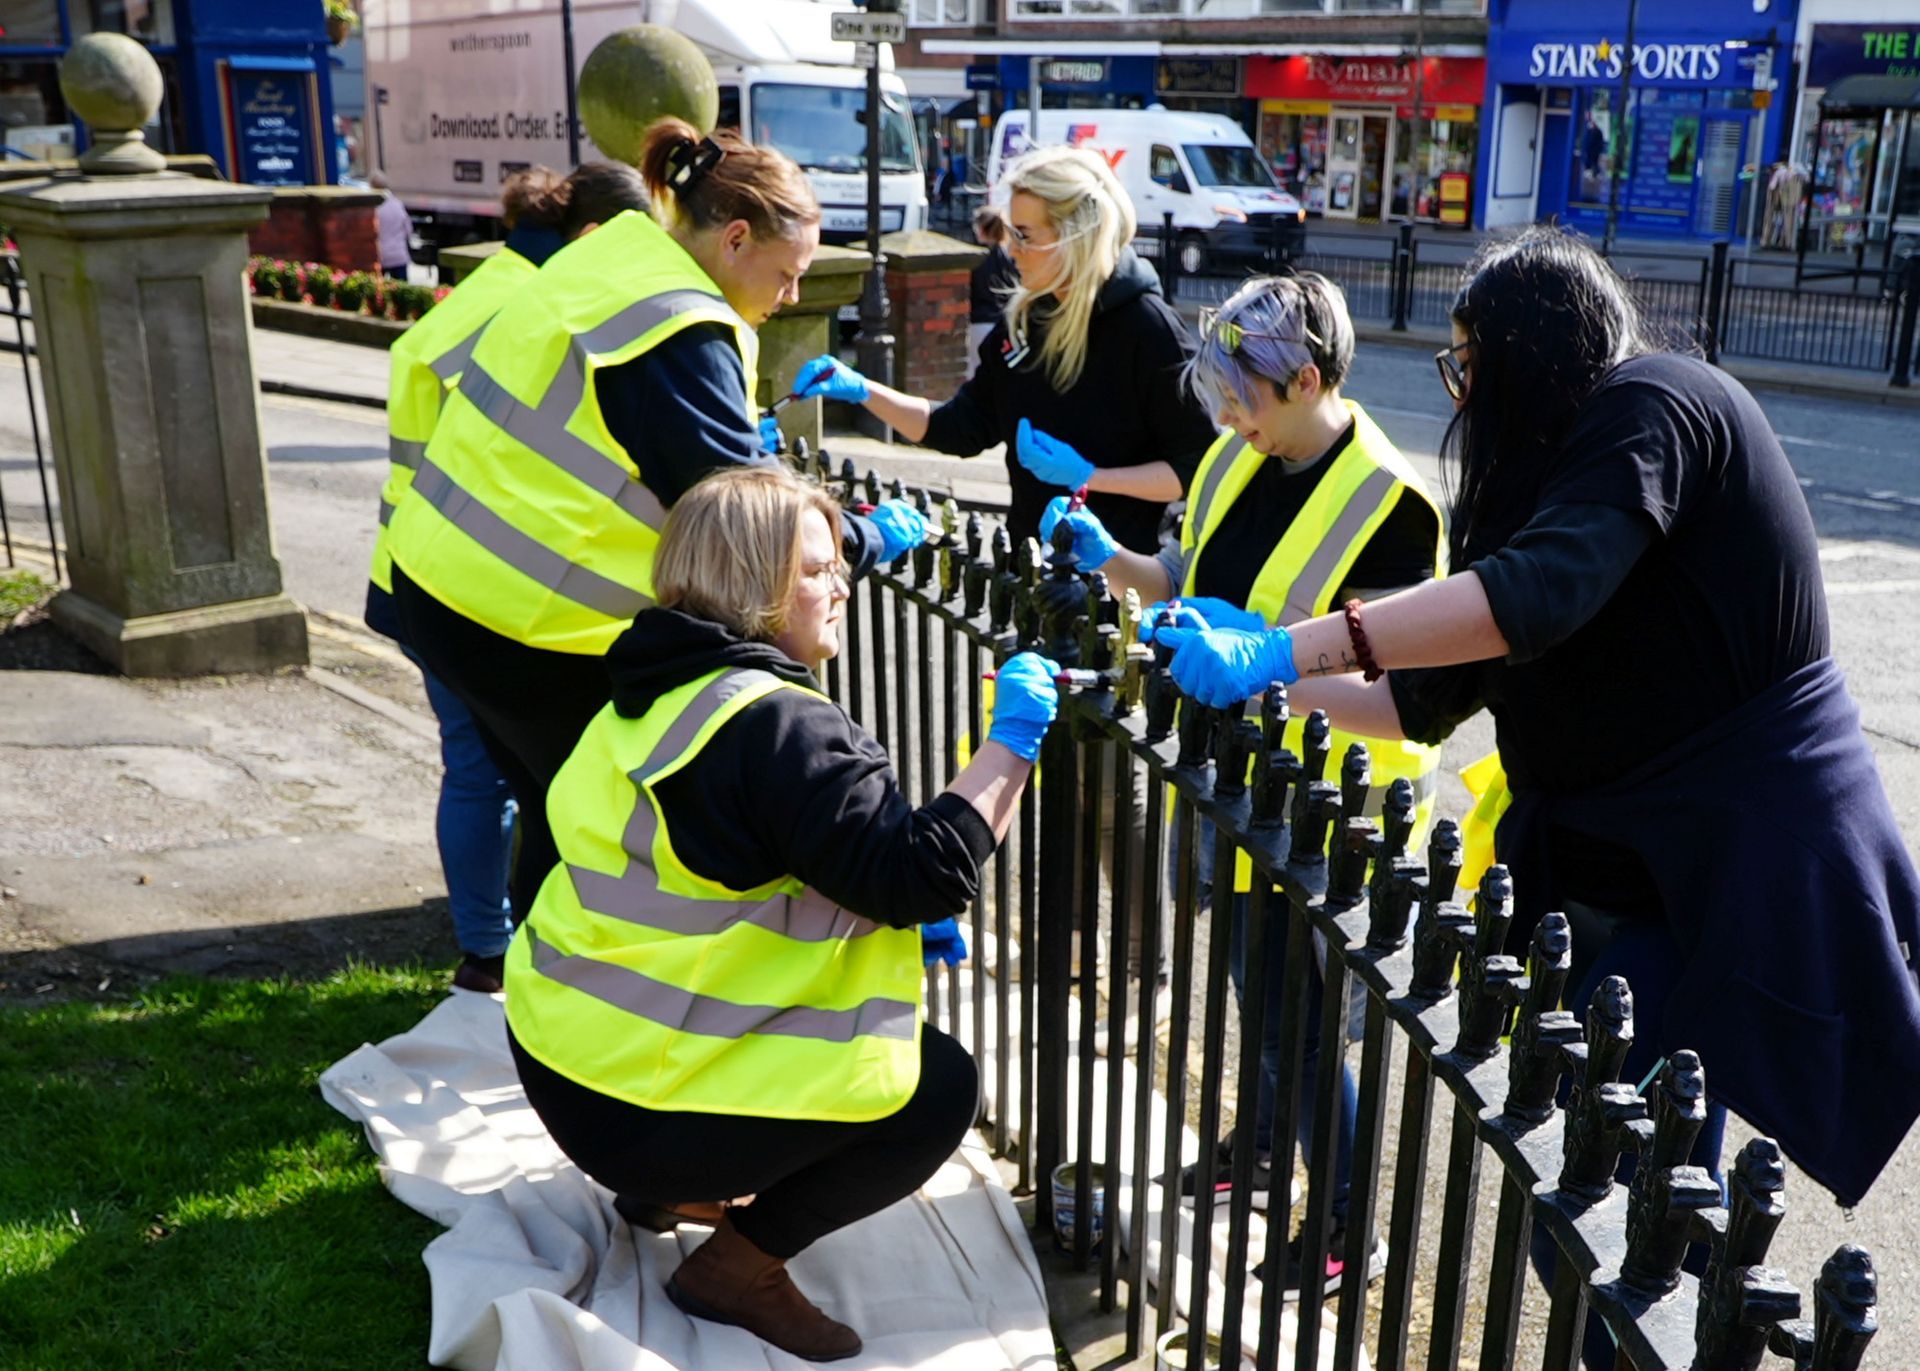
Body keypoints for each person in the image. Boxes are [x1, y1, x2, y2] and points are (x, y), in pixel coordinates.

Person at [1148, 228, 1920, 1226]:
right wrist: (1266, 676)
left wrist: (1284, 648)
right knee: (1587, 1188)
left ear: (1530, 350)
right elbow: (1416, 701)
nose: (1461, 396)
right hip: (1623, 876)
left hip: (1723, 876)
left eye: (1468, 365)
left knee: (1635, 1205)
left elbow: (1537, 593)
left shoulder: (1658, 399)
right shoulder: (1557, 483)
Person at [505, 466, 1061, 1361]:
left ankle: (666, 1194)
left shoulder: (649, 688)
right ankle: (737, 1269)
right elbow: (924, 873)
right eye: (817, 569)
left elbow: (726, 870)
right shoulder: (781, 726)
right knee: (939, 1089)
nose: (843, 585)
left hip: (559, 1062)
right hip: (643, 1111)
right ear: (750, 582)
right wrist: (1013, 742)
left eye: (840, 563)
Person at [385, 119, 929, 924]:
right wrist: (864, 537)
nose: (790, 298)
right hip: (523, 629)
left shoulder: (621, 252)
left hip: (441, 587)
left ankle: (527, 981)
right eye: (788, 275)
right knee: (599, 831)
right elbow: (748, 525)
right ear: (735, 238)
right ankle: (585, 987)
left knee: (554, 812)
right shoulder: (679, 327)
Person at [1042, 273, 1442, 1291]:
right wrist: (1113, 558)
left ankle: (1349, 1222)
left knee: (1293, 1021)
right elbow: (1183, 580)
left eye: (1242, 397)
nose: (1225, 417)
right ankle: (1263, 1149)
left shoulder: (1392, 503)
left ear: (1308, 379)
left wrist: (1262, 658)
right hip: (1230, 776)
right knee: (1255, 989)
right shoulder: (1235, 453)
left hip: (1324, 799)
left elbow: (1395, 684)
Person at [789, 144, 1220, 1043]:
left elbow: (1200, 470)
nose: (1007, 250)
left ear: (1078, 232)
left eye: (1024, 234)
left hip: (1116, 591)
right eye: (1007, 232)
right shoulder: (1028, 320)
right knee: (1048, 772)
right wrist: (863, 387)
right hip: (1036, 586)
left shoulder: (1146, 325)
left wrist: (1091, 477)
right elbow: (957, 427)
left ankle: (1144, 978)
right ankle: (1069, 951)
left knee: (1113, 793)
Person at [365, 161, 649, 993]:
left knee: (479, 769)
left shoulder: (486, 289)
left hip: (416, 568)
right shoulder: (534, 307)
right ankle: (500, 953)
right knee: (507, 775)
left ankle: (489, 949)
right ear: (592, 237)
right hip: (474, 584)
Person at [966, 204, 1020, 371]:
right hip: (1005, 323)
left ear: (981, 229)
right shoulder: (1011, 258)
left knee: (976, 372)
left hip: (979, 322)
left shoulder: (975, 259)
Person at [371, 170, 411, 280]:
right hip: (399, 255)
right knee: (401, 288)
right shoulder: (397, 204)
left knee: (380, 288)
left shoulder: (374, 208)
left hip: (381, 256)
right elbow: (408, 229)